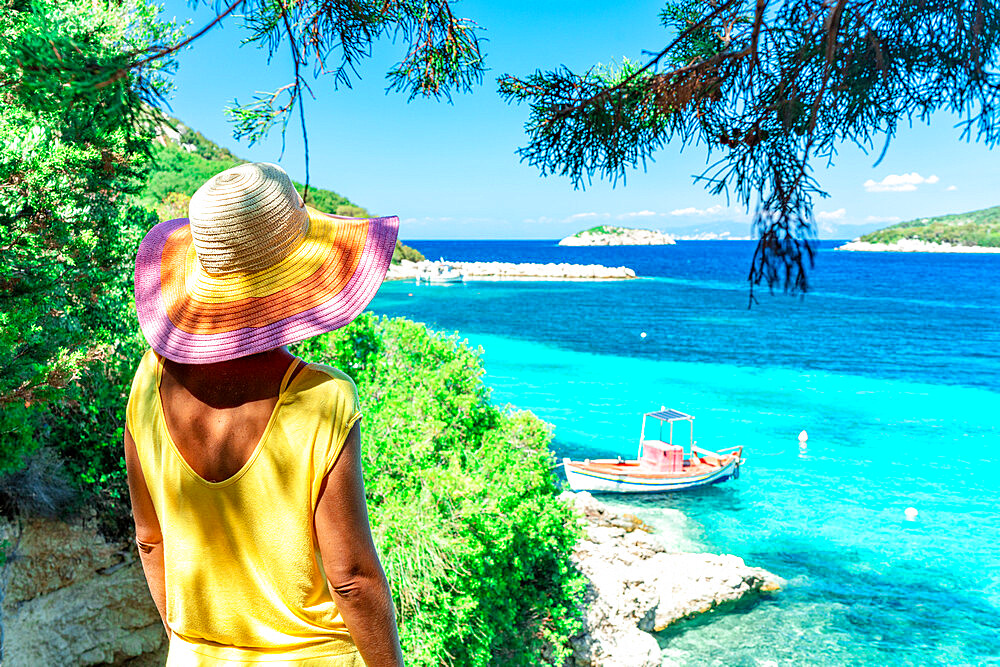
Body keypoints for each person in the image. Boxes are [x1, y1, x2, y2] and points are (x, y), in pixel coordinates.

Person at [124, 162, 405, 666]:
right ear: (298, 275)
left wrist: (187, 641)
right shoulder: (322, 398)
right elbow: (351, 578)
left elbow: (150, 540)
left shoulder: (148, 379)